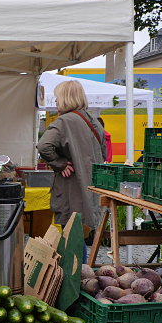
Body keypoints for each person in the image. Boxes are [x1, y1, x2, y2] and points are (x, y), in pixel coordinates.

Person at [36, 80, 106, 233]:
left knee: (71, 237)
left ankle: (75, 259)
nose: (55, 101)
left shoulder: (64, 121)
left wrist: (60, 164)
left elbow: (43, 146)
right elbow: (103, 154)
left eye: (58, 97)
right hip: (93, 190)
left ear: (66, 98)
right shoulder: (94, 121)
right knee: (81, 235)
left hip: (71, 190)